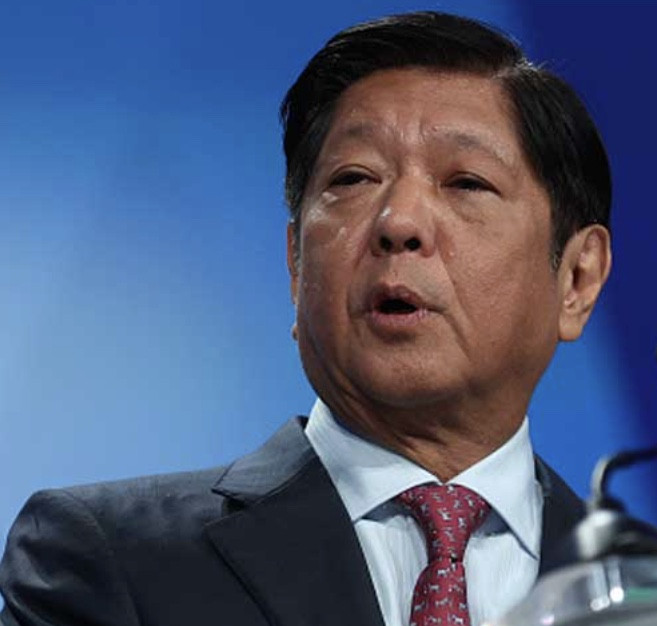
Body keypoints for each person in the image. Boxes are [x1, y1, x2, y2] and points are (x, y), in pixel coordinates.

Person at [0, 11, 613, 626]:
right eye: (355, 178)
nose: (399, 221)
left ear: (576, 279)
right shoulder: (109, 558)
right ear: (296, 264)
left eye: (466, 183)